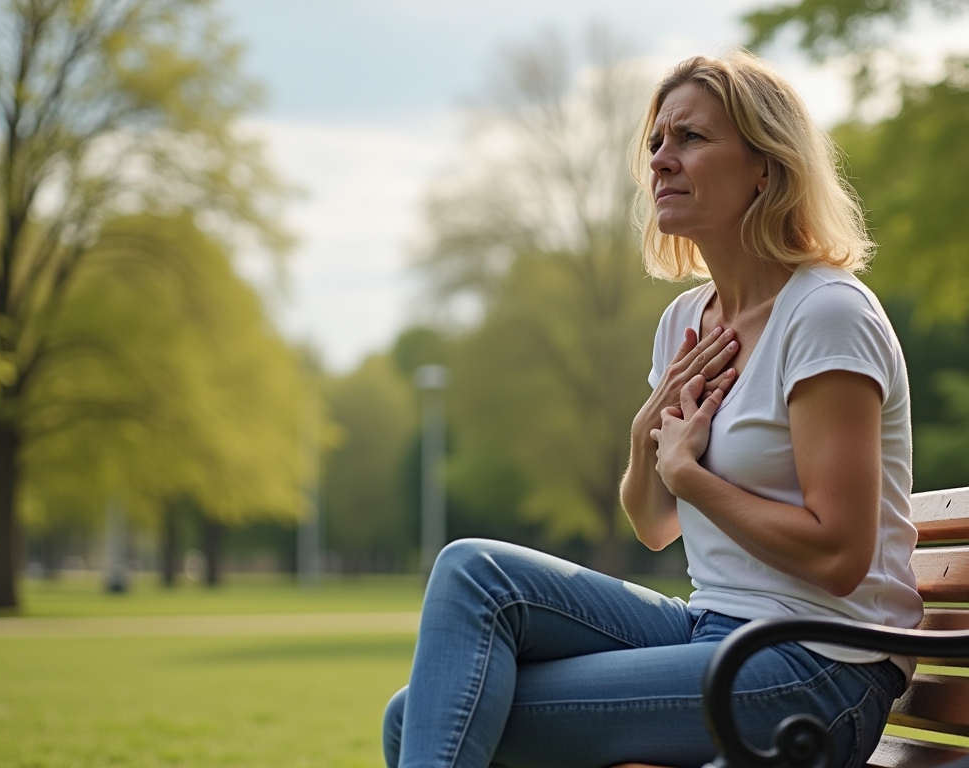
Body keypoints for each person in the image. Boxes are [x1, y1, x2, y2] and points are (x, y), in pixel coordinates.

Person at [383, 50, 922, 768]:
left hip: (818, 667)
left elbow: (841, 556)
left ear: (767, 166)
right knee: (474, 572)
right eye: (656, 142)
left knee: (421, 716)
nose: (662, 160)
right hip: (717, 630)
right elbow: (654, 524)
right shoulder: (686, 322)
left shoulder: (825, 315)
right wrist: (647, 444)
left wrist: (693, 476)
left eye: (692, 138)